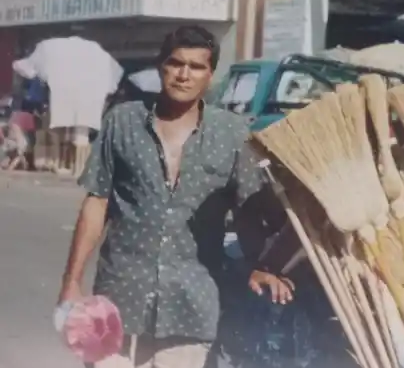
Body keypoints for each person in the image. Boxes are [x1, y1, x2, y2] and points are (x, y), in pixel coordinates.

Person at [57, 26, 292, 368]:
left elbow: (246, 210)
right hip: (119, 297)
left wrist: (259, 266)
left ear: (210, 75)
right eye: (176, 63)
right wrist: (71, 282)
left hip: (192, 304)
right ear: (160, 66)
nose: (184, 74)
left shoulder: (232, 134)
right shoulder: (122, 123)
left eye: (196, 67)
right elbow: (97, 202)